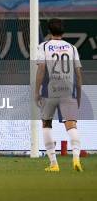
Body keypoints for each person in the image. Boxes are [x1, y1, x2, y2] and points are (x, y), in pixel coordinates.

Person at [35, 19, 83, 172]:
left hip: (49, 91)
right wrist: (79, 93)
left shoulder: (43, 46)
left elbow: (41, 69)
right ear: (63, 32)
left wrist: (36, 91)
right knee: (71, 125)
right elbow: (78, 73)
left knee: (46, 124)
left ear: (49, 31)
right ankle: (76, 158)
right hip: (68, 91)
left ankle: (54, 164)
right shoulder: (72, 48)